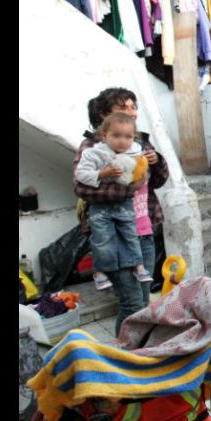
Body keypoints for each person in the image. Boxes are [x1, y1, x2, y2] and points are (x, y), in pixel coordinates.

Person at [73, 87, 169, 336]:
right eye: (123, 107)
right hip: (115, 235)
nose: (132, 112)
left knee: (144, 296)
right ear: (104, 115)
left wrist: (156, 161)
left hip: (144, 231)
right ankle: (124, 354)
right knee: (132, 302)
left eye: (133, 106)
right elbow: (81, 187)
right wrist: (128, 189)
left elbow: (157, 182)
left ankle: (139, 349)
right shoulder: (92, 147)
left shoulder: (138, 141)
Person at [74, 112, 154, 290]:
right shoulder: (93, 152)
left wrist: (145, 171)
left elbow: (143, 174)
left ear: (134, 137)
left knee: (130, 234)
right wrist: (103, 174)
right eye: (116, 136)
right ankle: (101, 272)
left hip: (126, 204)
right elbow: (80, 176)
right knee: (102, 238)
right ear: (104, 135)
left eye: (127, 137)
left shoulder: (136, 151)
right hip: (100, 206)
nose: (122, 141)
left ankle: (138, 267)